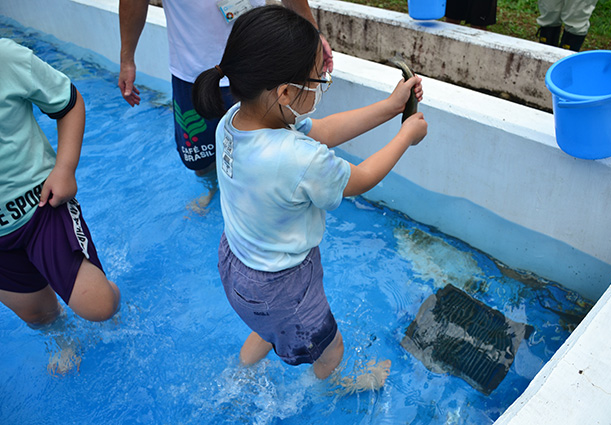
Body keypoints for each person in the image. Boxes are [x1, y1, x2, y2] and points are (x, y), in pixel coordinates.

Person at [192, 6, 428, 385]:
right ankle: (329, 391)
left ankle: (242, 374)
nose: (322, 82)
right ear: (285, 92)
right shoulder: (298, 158)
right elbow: (362, 177)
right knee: (330, 349)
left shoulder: (235, 120)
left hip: (238, 266)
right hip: (283, 284)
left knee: (269, 326)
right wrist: (405, 136)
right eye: (319, 78)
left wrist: (391, 108)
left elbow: (321, 130)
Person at [118, 0, 332, 213]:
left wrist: (312, 34)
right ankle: (213, 187)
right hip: (192, 69)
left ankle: (258, 197)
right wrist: (127, 58)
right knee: (200, 156)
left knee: (270, 148)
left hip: (259, 64)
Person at [0, 39, 121, 328]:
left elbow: (68, 101)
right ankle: (63, 340)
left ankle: (112, 291)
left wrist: (65, 169)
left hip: (41, 205)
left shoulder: (5, 59)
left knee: (99, 305)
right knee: (38, 316)